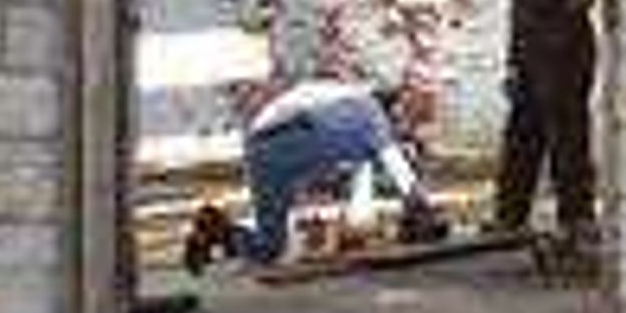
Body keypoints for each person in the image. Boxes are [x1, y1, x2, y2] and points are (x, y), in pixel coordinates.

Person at [187, 76, 446, 271]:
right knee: (273, 249)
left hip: (259, 145)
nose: (399, 124)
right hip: (291, 141)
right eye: (400, 117)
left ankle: (216, 230)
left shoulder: (337, 93)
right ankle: (224, 234)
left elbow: (298, 115)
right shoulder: (371, 113)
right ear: (389, 106)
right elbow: (394, 163)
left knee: (270, 245)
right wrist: (421, 206)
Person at [469, 0, 600, 269]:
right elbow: (519, 12)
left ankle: (577, 221)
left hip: (565, 57)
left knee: (566, 138)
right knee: (520, 135)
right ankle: (510, 218)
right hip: (531, 59)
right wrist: (514, 63)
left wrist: (558, 32)